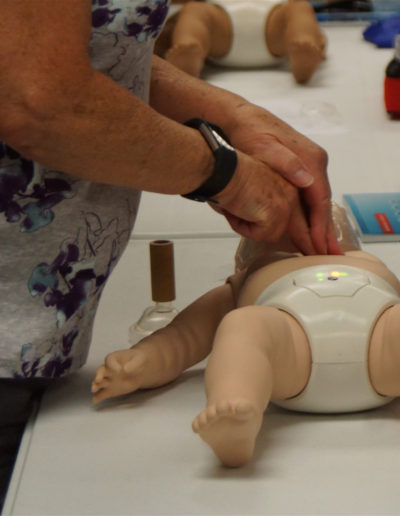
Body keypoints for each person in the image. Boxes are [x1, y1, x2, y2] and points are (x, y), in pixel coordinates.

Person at [0, 0, 339, 508]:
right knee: (245, 333)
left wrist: (231, 116)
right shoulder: (243, 297)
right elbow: (38, 97)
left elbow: (79, 47)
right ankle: (237, 407)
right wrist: (227, 173)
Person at [92, 205, 400, 467]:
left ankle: (236, 410)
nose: (301, 234)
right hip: (291, 346)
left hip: (384, 342)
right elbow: (183, 337)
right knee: (243, 325)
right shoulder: (242, 284)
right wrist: (141, 362)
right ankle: (236, 408)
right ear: (246, 257)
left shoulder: (366, 262)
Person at [155, 0, 326, 82]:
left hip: (272, 22)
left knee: (299, 9)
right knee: (194, 10)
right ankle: (189, 48)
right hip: (224, 23)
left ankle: (301, 42)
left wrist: (316, 38)